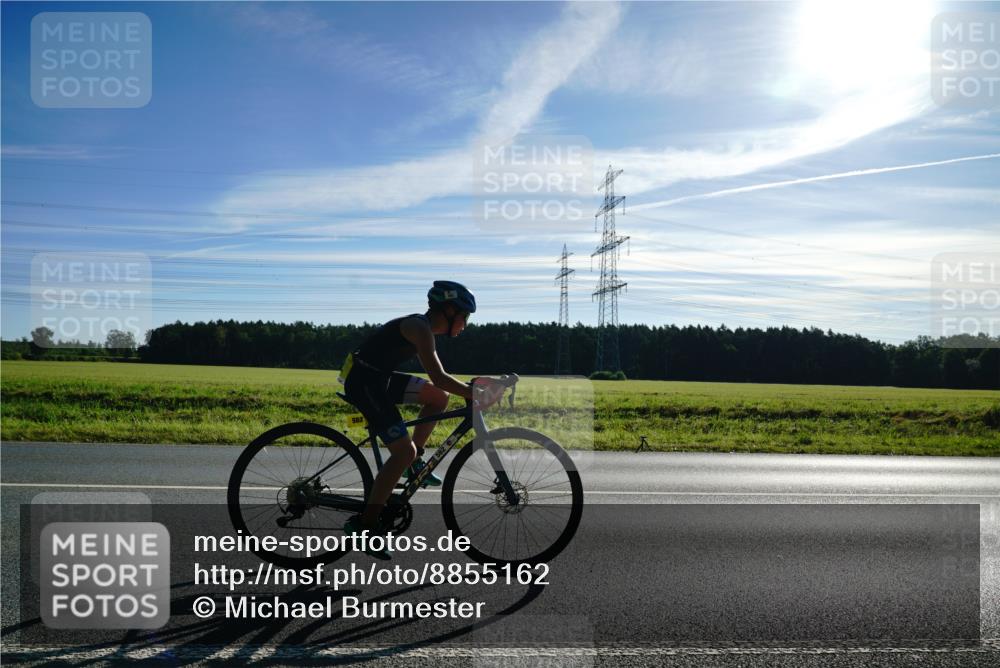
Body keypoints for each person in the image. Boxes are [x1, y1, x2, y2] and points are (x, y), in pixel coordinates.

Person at [339, 280, 498, 559]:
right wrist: (474, 393)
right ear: (449, 311)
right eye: (465, 317)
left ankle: (415, 463)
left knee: (438, 398)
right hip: (364, 382)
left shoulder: (423, 329)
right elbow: (439, 376)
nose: (466, 324)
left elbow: (438, 386)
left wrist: (470, 391)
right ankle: (365, 525)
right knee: (402, 451)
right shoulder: (418, 328)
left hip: (378, 376)